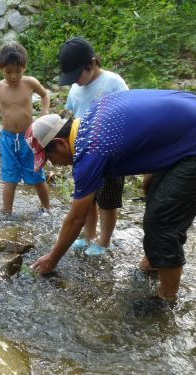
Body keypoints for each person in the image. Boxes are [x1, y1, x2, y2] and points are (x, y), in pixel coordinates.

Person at [26, 90, 196, 301]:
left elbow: (76, 218)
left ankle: (167, 299)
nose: (54, 164)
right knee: (157, 205)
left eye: (49, 157)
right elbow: (148, 127)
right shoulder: (92, 117)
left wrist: (52, 259)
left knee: (162, 223)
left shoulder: (91, 151)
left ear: (61, 143)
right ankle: (155, 262)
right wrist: (153, 171)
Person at [58, 37, 129, 256]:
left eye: (77, 75)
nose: (75, 81)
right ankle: (88, 234)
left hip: (109, 154)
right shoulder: (75, 89)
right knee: (86, 199)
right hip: (82, 152)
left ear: (92, 63)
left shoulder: (113, 82)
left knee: (107, 200)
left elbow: (128, 112)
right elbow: (70, 115)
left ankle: (104, 240)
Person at [0, 43, 51, 217]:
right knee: (9, 177)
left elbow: (45, 95)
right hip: (7, 139)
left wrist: (44, 112)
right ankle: (6, 213)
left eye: (18, 71)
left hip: (30, 138)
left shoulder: (29, 83)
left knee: (37, 175)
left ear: (24, 67)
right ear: (0, 68)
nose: (13, 76)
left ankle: (47, 208)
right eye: (8, 72)